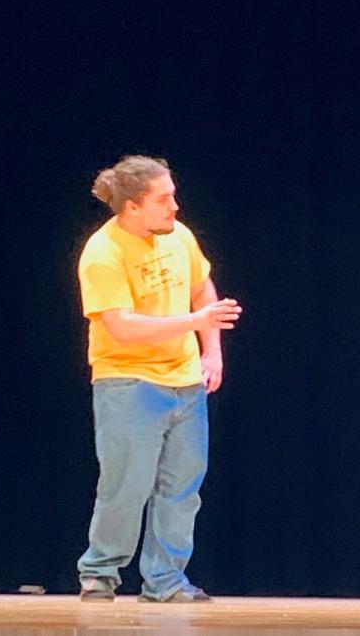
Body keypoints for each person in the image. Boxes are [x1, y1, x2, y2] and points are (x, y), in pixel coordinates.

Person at [75, 156, 242, 602]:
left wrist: (212, 352)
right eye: (164, 199)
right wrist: (194, 321)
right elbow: (123, 327)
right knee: (125, 486)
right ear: (132, 206)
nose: (175, 207)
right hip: (129, 382)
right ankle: (100, 571)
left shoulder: (179, 237)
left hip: (185, 382)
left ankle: (165, 581)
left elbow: (201, 289)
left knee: (182, 488)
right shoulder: (103, 253)